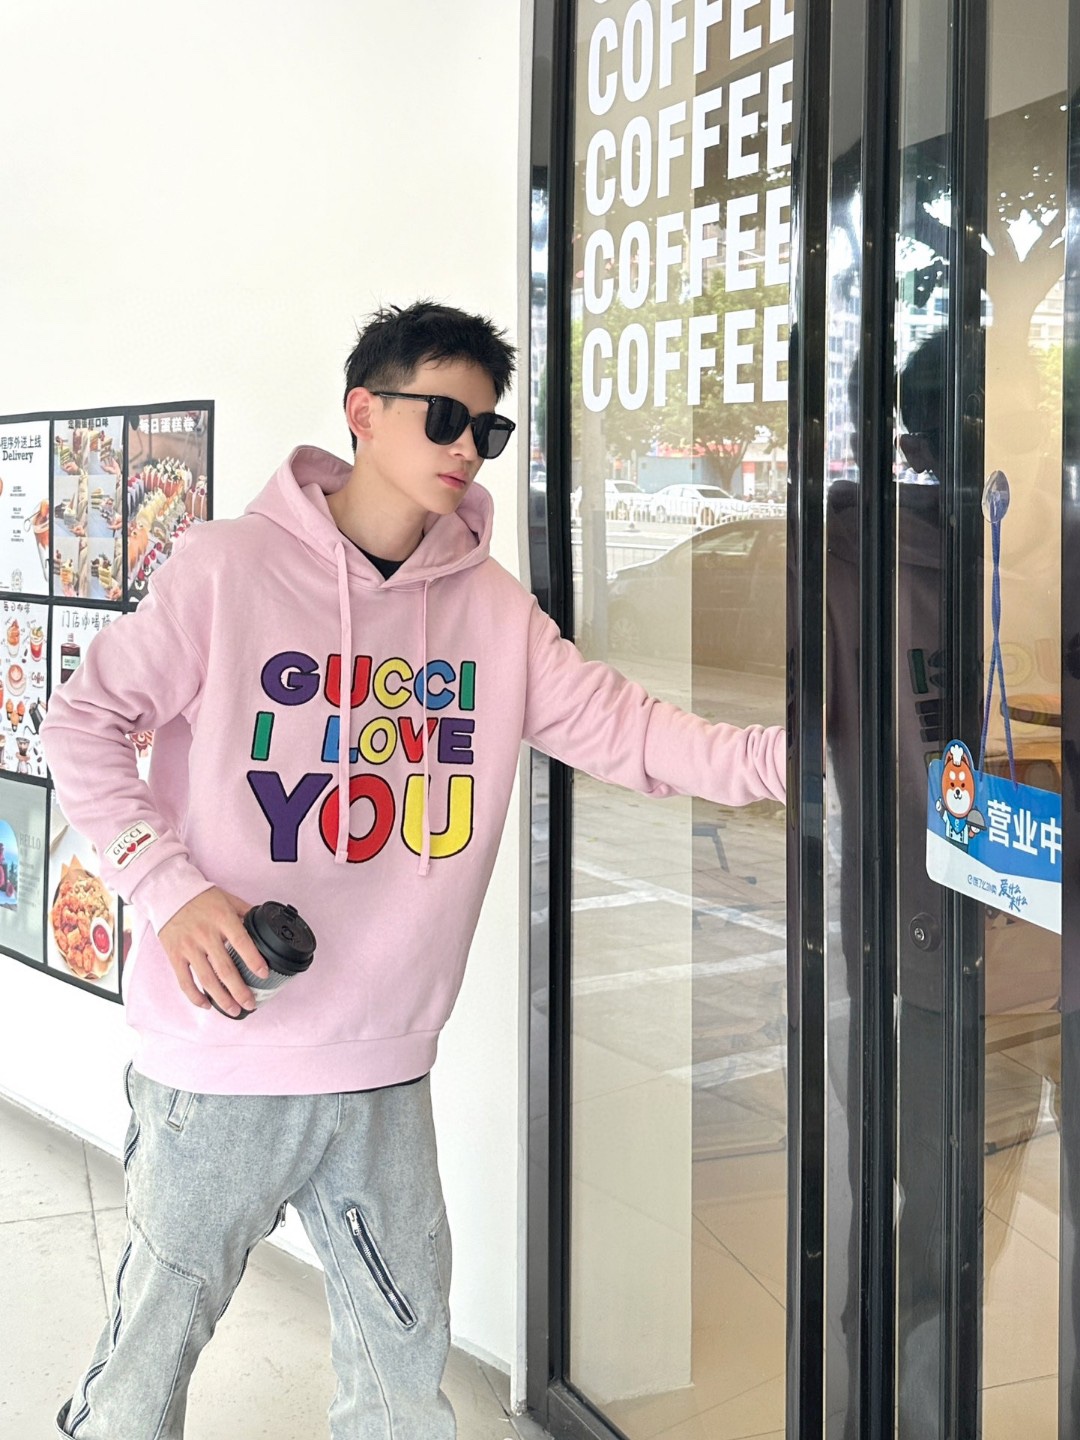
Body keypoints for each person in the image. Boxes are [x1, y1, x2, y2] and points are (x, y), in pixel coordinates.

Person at [42, 300, 786, 1439]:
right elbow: (83, 724)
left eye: (486, 430)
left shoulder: (492, 612)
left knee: (401, 1386)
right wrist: (167, 888)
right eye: (443, 415)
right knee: (141, 1380)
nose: (465, 447)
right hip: (219, 1055)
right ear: (362, 411)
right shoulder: (227, 569)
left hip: (386, 1068)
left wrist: (798, 760)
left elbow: (631, 734)